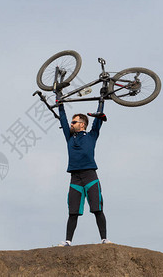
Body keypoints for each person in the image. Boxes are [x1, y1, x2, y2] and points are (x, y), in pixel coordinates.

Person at [58, 101, 110, 246]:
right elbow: (62, 117)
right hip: (75, 178)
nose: (71, 124)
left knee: (97, 209)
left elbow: (98, 119)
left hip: (90, 176)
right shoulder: (69, 137)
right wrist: (59, 102)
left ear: (82, 124)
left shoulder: (92, 135)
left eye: (74, 122)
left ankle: (104, 239)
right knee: (73, 212)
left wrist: (102, 99)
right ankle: (68, 241)